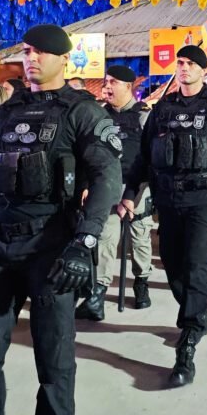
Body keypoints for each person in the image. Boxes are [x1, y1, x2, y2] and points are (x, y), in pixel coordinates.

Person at [0, 24, 122, 415]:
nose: (32, 58)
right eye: (27, 51)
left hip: (52, 246)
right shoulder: (3, 114)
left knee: (54, 355)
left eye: (42, 52)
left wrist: (84, 242)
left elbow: (108, 178)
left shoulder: (82, 111)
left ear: (63, 60)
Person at [120, 45, 207, 388]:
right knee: (174, 267)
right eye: (180, 62)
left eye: (190, 63)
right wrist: (131, 193)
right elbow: (145, 155)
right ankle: (198, 313)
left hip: (205, 198)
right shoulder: (164, 106)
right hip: (169, 198)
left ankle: (187, 343)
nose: (183, 68)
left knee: (194, 266)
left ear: (202, 69)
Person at [76, 65, 154, 320]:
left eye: (112, 83)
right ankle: (96, 296)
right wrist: (87, 184)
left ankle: (141, 282)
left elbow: (150, 159)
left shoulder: (144, 117)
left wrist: (133, 195)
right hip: (107, 185)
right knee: (105, 239)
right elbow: (89, 154)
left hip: (138, 186)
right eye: (106, 82)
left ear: (128, 86)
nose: (106, 87)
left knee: (139, 238)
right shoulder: (99, 115)